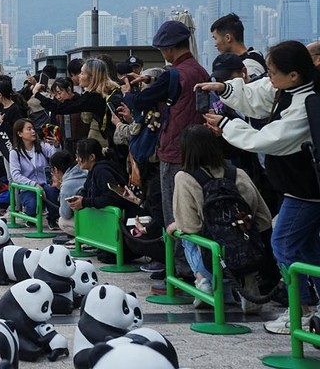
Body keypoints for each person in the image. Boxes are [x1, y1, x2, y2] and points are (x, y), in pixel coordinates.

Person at [198, 40, 320, 334]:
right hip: (298, 188)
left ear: (294, 75)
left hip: (307, 192)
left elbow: (270, 139)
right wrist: (226, 90)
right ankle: (308, 306)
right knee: (307, 248)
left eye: (273, 72)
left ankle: (301, 308)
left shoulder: (307, 103)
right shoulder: (289, 89)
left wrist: (227, 125)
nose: (268, 77)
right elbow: (259, 93)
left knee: (283, 243)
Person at [121, 20, 209, 279]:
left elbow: (141, 101)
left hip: (172, 151)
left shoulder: (173, 75)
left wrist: (128, 92)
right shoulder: (200, 72)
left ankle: (179, 270)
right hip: (199, 150)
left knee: (174, 214)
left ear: (169, 49)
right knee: (195, 213)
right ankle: (198, 268)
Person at [167, 125, 271, 312]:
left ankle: (203, 281)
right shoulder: (237, 173)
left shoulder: (184, 177)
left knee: (183, 235)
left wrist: (174, 227)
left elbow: (190, 226)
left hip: (212, 260)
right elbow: (264, 219)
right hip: (248, 257)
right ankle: (247, 283)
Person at [33, 58, 122, 148]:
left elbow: (61, 108)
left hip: (114, 142)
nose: (79, 76)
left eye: (82, 73)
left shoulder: (93, 97)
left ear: (91, 77)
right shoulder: (111, 90)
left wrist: (37, 94)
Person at [9, 118, 61, 225]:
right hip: (28, 188)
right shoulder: (15, 152)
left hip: (46, 183)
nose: (33, 131)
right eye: (29, 129)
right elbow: (16, 176)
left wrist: (56, 145)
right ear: (20, 133)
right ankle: (30, 216)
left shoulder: (41, 146)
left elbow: (54, 156)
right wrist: (34, 184)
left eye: (33, 128)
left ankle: (53, 219)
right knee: (32, 204)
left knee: (52, 192)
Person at [210, 13, 267, 80]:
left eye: (215, 38)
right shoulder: (255, 55)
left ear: (228, 38)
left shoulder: (249, 66)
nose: (215, 44)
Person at [50, 150, 87, 237]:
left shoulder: (67, 185)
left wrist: (61, 189)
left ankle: (84, 238)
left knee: (62, 221)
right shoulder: (85, 171)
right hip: (100, 217)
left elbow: (65, 214)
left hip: (89, 222)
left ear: (55, 169)